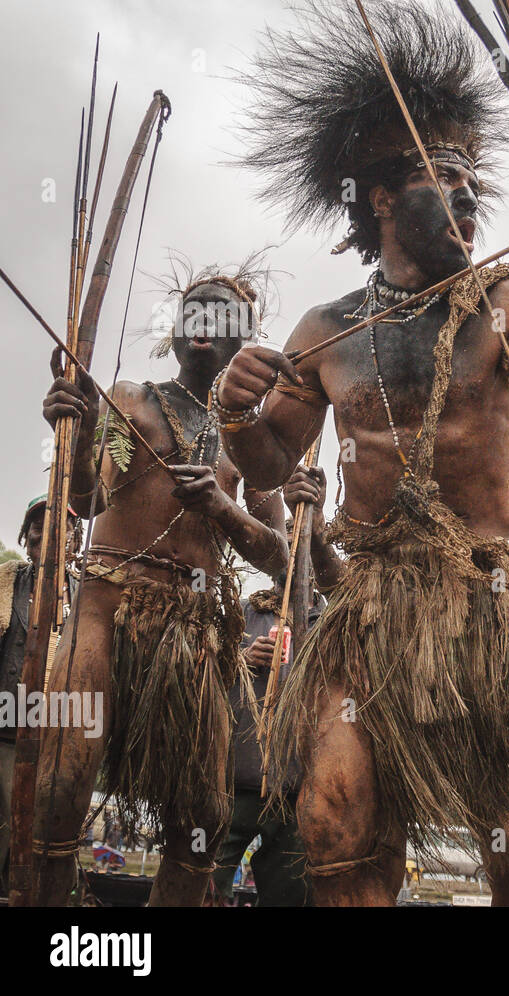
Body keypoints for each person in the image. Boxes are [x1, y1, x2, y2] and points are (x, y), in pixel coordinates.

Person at [226, 3, 509, 905]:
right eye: (441, 176)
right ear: (380, 198)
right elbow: (268, 466)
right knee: (335, 824)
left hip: (508, 579)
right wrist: (236, 416)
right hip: (379, 600)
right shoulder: (327, 331)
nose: (466, 196)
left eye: (471, 180)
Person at [36, 259, 288, 907]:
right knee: (62, 787)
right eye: (193, 312)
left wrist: (222, 509)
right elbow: (91, 498)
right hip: (106, 606)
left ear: (245, 341)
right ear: (175, 331)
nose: (204, 325)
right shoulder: (129, 403)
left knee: (203, 818)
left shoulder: (249, 445)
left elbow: (280, 558)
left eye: (222, 317)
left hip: (195, 634)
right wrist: (85, 424)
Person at [213, 467, 333, 907]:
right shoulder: (240, 613)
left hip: (297, 794)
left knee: (290, 895)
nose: (295, 564)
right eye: (287, 553)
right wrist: (239, 661)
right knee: (206, 885)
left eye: (304, 555)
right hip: (233, 784)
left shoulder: (331, 624)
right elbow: (203, 678)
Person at [0, 497, 80, 893]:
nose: (45, 538)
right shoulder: (7, 583)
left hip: (56, 741)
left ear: (74, 541)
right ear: (27, 539)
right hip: (6, 735)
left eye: (58, 530)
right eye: (37, 530)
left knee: (42, 838)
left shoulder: (85, 598)